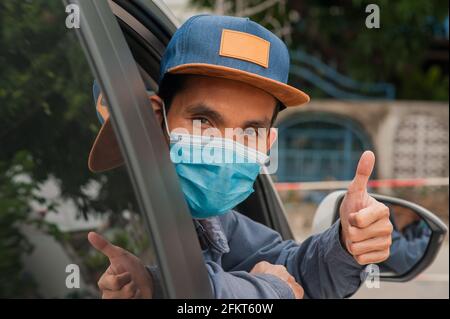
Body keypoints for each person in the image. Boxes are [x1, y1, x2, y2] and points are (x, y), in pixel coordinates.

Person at [86, 15, 393, 299]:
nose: (225, 145)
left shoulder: (212, 221)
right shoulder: (119, 209)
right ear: (157, 119)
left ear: (268, 144)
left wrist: (346, 242)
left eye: (250, 132)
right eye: (203, 122)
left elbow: (292, 266)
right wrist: (272, 290)